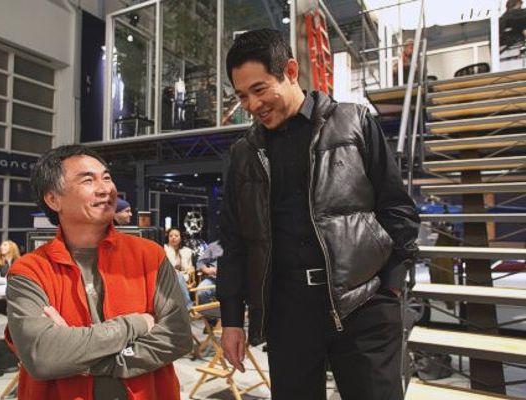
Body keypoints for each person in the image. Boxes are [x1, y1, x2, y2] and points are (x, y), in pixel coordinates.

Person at [218, 29, 420, 400]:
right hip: (287, 315)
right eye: (242, 95)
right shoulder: (243, 155)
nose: (252, 104)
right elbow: (233, 242)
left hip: (364, 306)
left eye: (260, 89)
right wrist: (231, 319)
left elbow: (398, 210)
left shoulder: (355, 123)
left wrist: (390, 285)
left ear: (291, 71)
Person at [5, 145, 192, 400]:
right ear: (53, 200)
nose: (106, 189)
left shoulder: (150, 256)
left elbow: (177, 336)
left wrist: (87, 361)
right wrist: (136, 323)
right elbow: (43, 356)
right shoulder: (29, 271)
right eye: (88, 180)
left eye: (106, 177)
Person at [163, 227, 194, 310]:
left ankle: (179, 309)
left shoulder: (187, 251)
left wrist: (190, 269)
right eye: (171, 236)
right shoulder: (164, 249)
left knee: (179, 277)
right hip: (167, 276)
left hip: (183, 276)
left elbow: (189, 267)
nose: (173, 238)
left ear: (180, 238)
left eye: (176, 236)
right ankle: (188, 307)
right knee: (178, 276)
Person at [195, 240, 223, 305]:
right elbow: (199, 262)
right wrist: (207, 270)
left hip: (234, 280)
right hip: (215, 280)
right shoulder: (213, 245)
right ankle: (214, 310)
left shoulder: (240, 245)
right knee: (201, 292)